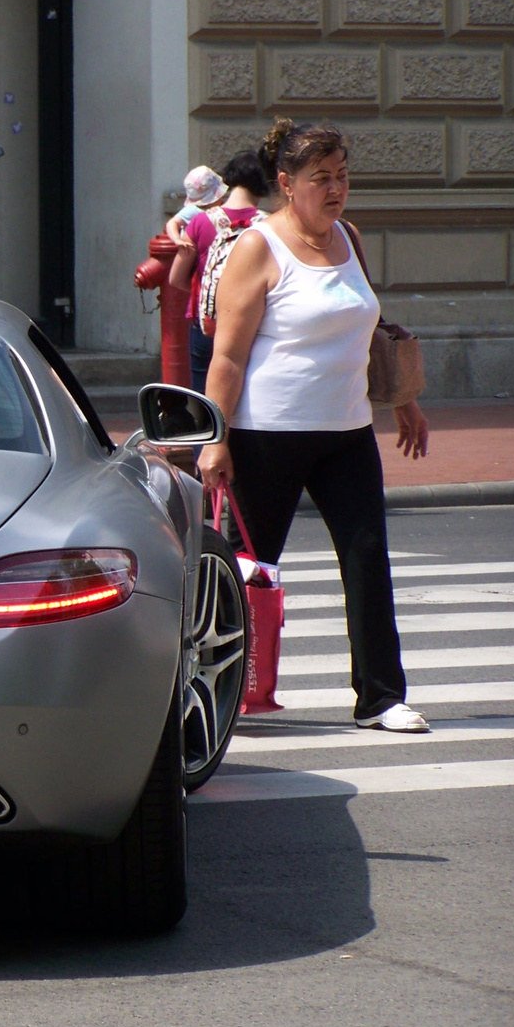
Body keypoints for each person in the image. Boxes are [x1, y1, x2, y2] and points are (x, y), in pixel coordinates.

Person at [197, 117, 432, 734]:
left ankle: (380, 697)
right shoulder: (258, 247)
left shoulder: (348, 237)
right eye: (321, 178)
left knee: (366, 559)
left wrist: (401, 397)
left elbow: (365, 322)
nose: (335, 189)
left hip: (348, 433)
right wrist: (215, 436)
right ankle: (218, 689)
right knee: (246, 569)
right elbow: (227, 354)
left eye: (343, 176)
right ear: (286, 183)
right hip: (266, 436)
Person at [168, 151, 270, 393]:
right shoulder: (269, 225)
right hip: (252, 327)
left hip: (207, 324)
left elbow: (175, 278)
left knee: (204, 403)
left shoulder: (200, 222)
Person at [165, 165, 227, 252]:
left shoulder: (222, 206)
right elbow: (172, 223)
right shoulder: (193, 210)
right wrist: (177, 239)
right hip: (195, 252)